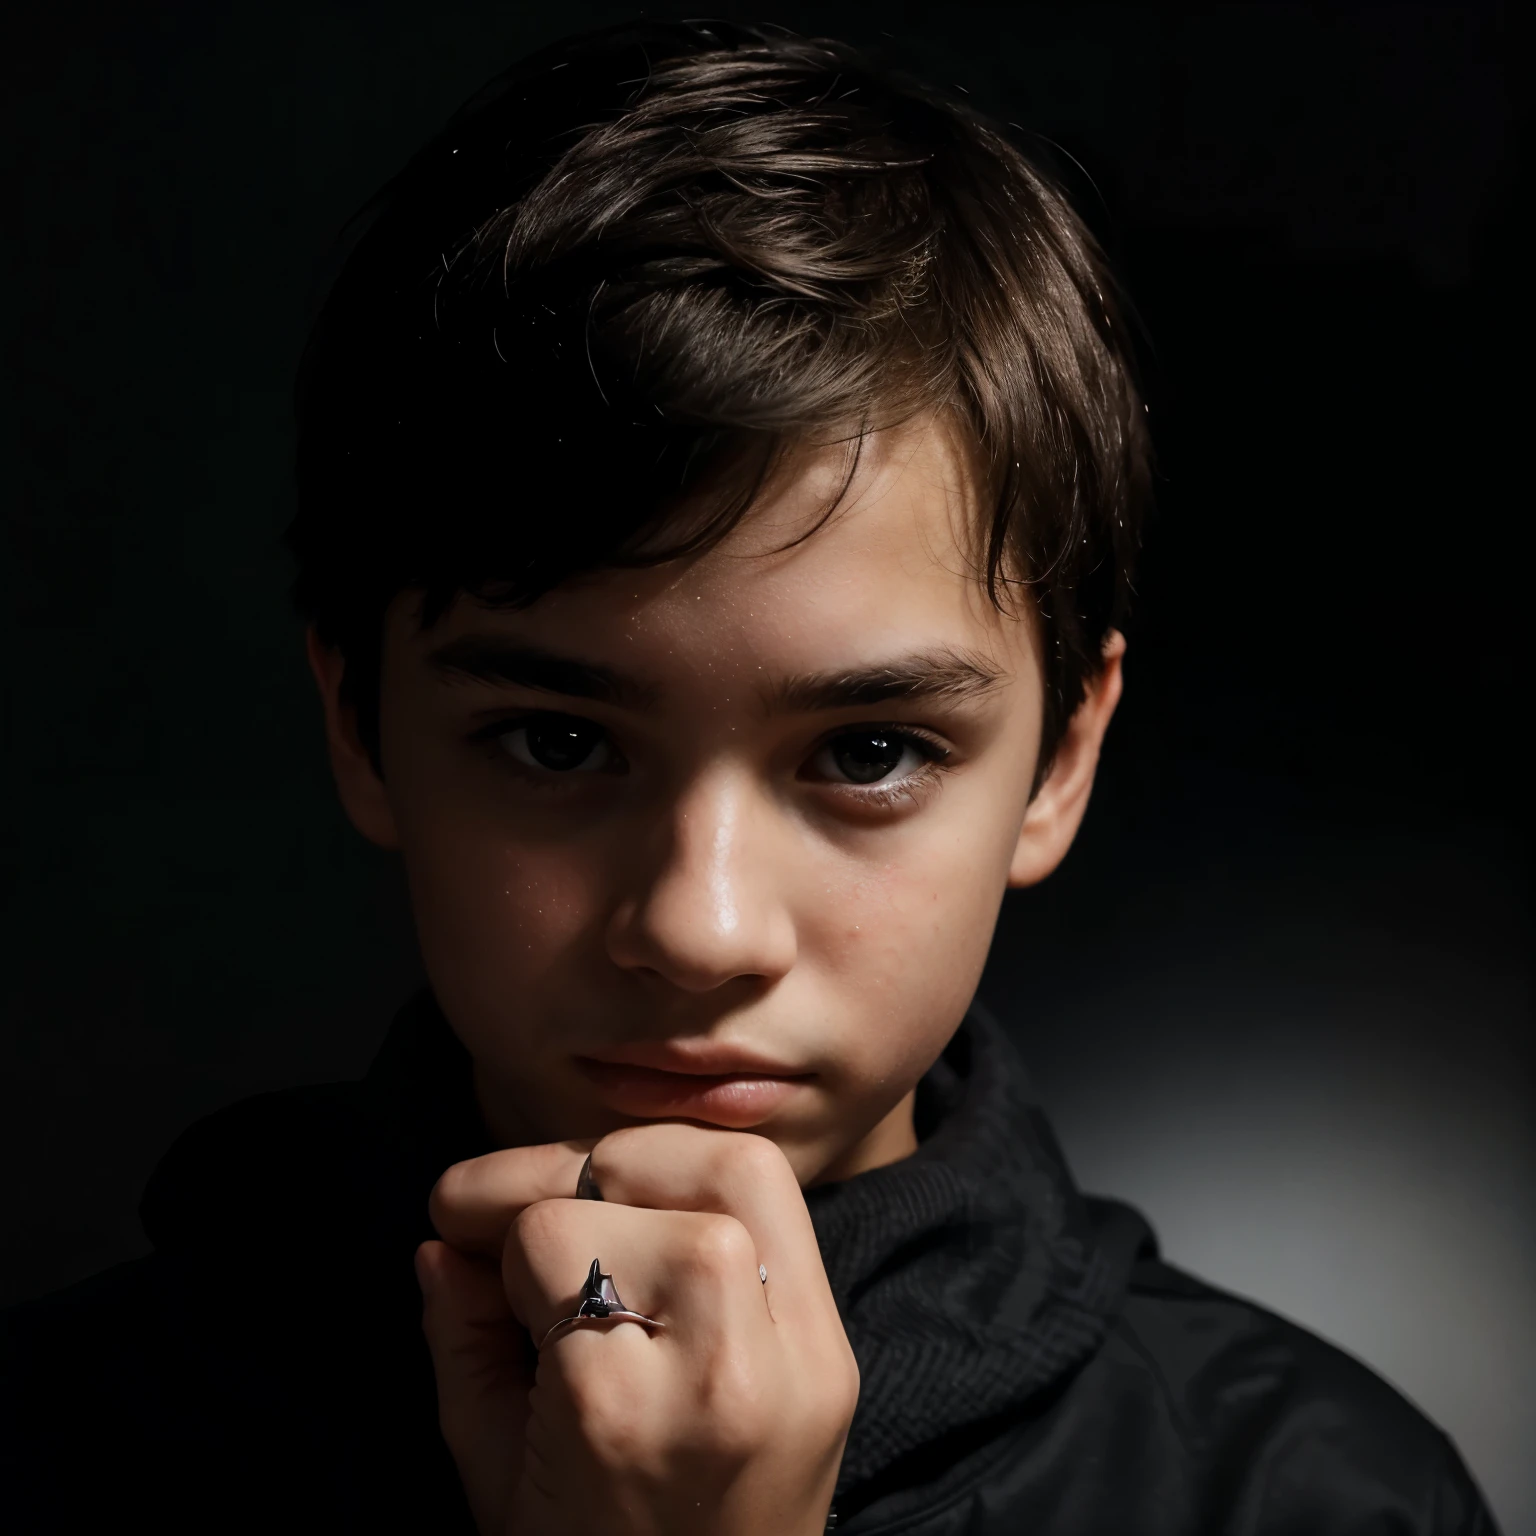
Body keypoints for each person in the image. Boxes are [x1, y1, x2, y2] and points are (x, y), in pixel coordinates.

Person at [0, 19, 1499, 1535]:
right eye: (559, 740)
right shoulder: (50, 1453)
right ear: (359, 724)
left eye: (868, 753)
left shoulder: (1314, 1500)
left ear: (1061, 759)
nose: (703, 929)